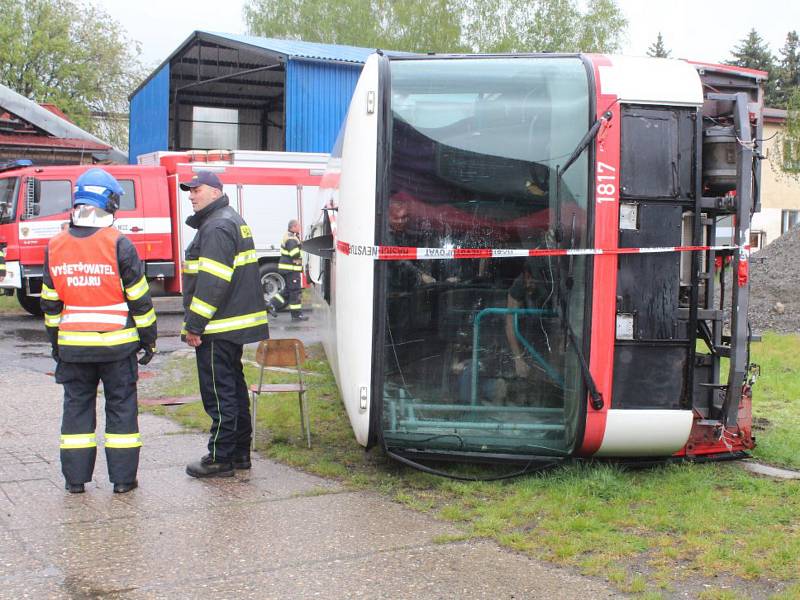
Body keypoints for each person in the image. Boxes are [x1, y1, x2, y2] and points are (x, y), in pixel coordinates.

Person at [41, 168, 157, 494]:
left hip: (73, 349)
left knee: (76, 411)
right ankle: (122, 481)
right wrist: (149, 341)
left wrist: (57, 345)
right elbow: (140, 301)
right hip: (118, 347)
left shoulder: (56, 246)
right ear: (110, 203)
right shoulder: (120, 244)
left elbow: (50, 305)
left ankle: (75, 481)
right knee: (121, 411)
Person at [180, 171, 269, 478]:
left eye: (197, 189)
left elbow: (212, 283)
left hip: (218, 326)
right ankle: (240, 453)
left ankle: (220, 458)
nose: (191, 195)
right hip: (231, 324)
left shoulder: (217, 225)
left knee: (219, 393)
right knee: (232, 388)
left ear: (216, 192)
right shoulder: (228, 219)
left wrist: (194, 325)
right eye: (189, 191)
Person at [269, 219, 308, 321]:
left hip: (290, 269)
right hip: (291, 269)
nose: (300, 228)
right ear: (293, 227)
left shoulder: (292, 236)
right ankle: (296, 315)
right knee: (295, 291)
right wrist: (300, 247)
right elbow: (294, 254)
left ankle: (272, 304)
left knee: (288, 291)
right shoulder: (291, 239)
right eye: (298, 226)